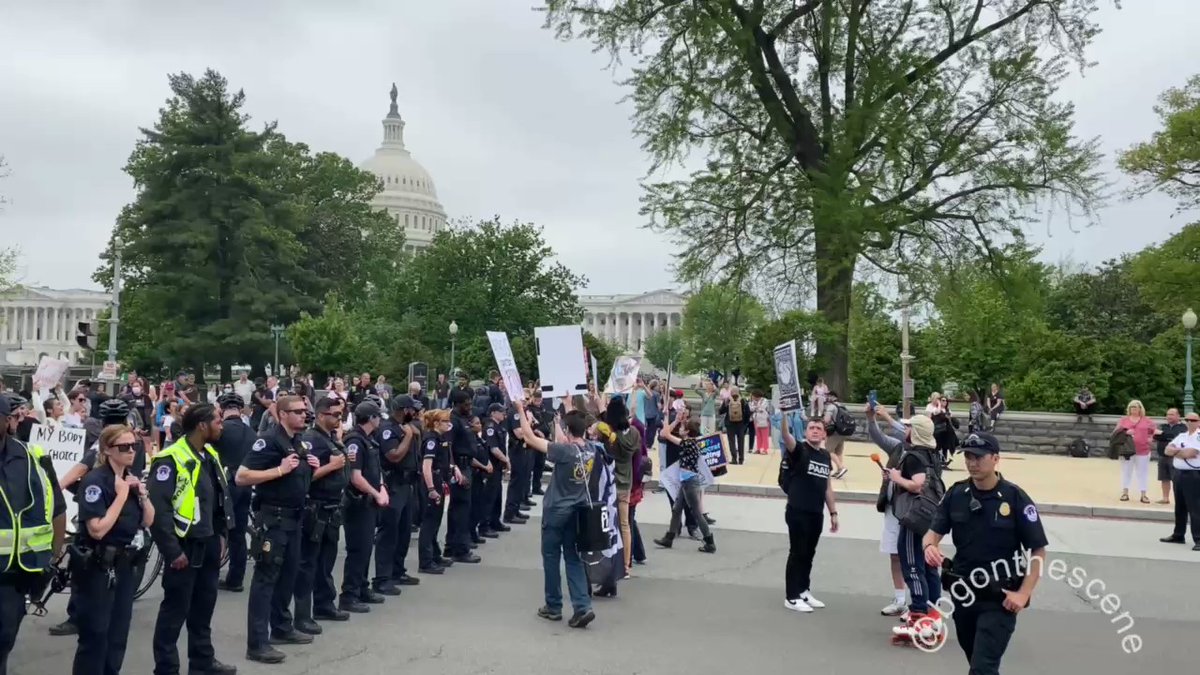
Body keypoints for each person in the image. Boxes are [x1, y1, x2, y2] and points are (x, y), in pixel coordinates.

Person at [924, 432, 1048, 672]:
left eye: (979, 457)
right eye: (968, 456)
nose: (972, 463)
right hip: (964, 595)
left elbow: (1038, 550)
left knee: (982, 668)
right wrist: (929, 547)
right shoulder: (957, 494)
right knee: (979, 665)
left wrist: (1023, 594)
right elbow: (933, 532)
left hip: (1000, 599)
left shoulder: (1015, 498)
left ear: (995, 459)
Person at [148, 403, 235, 675]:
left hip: (208, 543)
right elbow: (159, 511)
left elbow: (220, 499)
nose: (222, 425)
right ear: (201, 425)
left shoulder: (209, 454)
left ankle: (202, 662)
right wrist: (172, 552)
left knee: (203, 609)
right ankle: (166, 668)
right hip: (184, 547)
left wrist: (221, 535)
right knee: (174, 613)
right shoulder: (170, 458)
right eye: (218, 421)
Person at [235, 395, 319, 664]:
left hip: (295, 518)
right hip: (274, 519)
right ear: (282, 414)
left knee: (288, 575)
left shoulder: (297, 441)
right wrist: (280, 470)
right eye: (297, 412)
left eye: (305, 411)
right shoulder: (269, 441)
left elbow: (298, 477)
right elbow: (242, 476)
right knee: (266, 579)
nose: (304, 416)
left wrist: (313, 468)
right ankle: (257, 643)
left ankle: (282, 627)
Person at [72, 424, 155, 675]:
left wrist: (141, 494)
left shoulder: (130, 478)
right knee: (96, 634)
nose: (131, 451)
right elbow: (97, 529)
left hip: (125, 564)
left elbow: (148, 520)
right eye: (124, 447)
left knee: (118, 633)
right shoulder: (96, 481)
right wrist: (120, 496)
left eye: (134, 446)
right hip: (99, 565)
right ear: (108, 450)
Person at [0, 395, 67, 674]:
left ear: (7, 422)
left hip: (14, 573)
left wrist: (54, 554)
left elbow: (57, 507)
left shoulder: (33, 457)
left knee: (4, 637)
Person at [515, 397, 596, 629]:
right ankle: (582, 606)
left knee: (551, 556)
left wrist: (521, 409)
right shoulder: (589, 450)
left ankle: (553, 605)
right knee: (573, 558)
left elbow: (530, 438)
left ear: (568, 431)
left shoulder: (564, 452)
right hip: (577, 510)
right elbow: (572, 431)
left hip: (557, 509)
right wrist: (569, 405)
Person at [293, 396, 352, 634]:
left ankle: (325, 603)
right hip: (315, 507)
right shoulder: (311, 440)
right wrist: (332, 466)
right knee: (308, 563)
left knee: (326, 561)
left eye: (341, 415)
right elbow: (303, 478)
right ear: (320, 415)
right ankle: (303, 615)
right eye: (335, 415)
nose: (339, 419)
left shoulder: (329, 439)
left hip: (331, 507)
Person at [886, 415, 945, 643]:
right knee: (928, 565)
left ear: (916, 431)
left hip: (915, 516)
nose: (906, 429)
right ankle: (933, 610)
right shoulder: (934, 455)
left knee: (911, 563)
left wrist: (896, 478)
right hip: (931, 515)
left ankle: (919, 614)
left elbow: (918, 484)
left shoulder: (914, 456)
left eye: (909, 426)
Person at [778, 416, 839, 613]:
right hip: (797, 510)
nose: (814, 430)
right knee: (797, 553)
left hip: (816, 512)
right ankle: (792, 596)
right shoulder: (799, 450)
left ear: (824, 434)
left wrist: (833, 512)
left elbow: (827, 486)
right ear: (806, 432)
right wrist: (785, 415)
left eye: (818, 428)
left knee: (809, 554)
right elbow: (786, 435)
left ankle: (804, 590)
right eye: (811, 427)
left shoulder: (825, 456)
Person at [374, 395, 423, 593]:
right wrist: (409, 437)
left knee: (403, 531)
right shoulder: (389, 429)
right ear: (403, 410)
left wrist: (414, 434)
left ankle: (397, 570)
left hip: (407, 484)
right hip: (393, 483)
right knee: (389, 533)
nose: (415, 413)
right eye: (412, 409)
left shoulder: (406, 427)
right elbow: (393, 456)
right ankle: (382, 578)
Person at [339, 402, 386, 610]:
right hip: (358, 502)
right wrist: (375, 493)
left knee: (366, 548)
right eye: (378, 416)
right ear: (371, 418)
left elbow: (375, 471)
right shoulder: (355, 442)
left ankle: (362, 587)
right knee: (358, 549)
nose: (380, 420)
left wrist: (381, 488)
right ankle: (349, 594)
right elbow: (355, 476)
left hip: (370, 501)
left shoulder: (369, 440)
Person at [652, 416, 716, 553]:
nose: (679, 430)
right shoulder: (690, 442)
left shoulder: (687, 443)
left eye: (682, 428)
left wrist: (669, 422)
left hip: (690, 483)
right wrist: (681, 422)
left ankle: (709, 541)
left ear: (687, 432)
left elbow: (665, 434)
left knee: (697, 514)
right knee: (676, 509)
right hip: (686, 482)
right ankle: (669, 538)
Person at [213, 393, 255, 593]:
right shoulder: (251, 432)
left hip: (223, 484)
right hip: (245, 483)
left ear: (222, 410)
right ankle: (235, 579)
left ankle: (210, 573)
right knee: (238, 533)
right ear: (240, 410)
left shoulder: (220, 430)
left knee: (216, 529)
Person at [444, 391, 481, 563]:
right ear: (457, 404)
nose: (470, 407)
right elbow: (448, 446)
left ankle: (453, 546)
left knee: (460, 508)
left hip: (467, 465)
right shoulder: (453, 420)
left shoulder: (464, 419)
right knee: (461, 509)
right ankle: (459, 549)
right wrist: (454, 468)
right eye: (466, 404)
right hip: (460, 466)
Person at [417, 409, 456, 574]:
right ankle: (425, 561)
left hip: (440, 480)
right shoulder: (431, 439)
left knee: (436, 521)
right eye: (445, 421)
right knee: (429, 523)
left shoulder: (441, 438)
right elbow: (427, 467)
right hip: (431, 483)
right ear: (436, 423)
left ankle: (435, 554)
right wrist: (431, 489)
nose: (449, 424)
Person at [1163, 412, 1200, 550]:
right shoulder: (1182, 436)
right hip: (1179, 473)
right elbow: (1167, 450)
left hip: (1193, 474)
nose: (1190, 422)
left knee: (1195, 507)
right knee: (1180, 506)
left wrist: (1176, 452)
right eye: (1188, 420)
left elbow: (1190, 454)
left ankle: (1199, 538)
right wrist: (1179, 452)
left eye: (1193, 420)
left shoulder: (1198, 436)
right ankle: (1178, 534)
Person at [479, 403, 511, 539]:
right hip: (491, 465)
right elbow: (493, 448)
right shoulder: (490, 427)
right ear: (493, 413)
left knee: (497, 495)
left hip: (498, 466)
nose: (503, 414)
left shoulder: (499, 426)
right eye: (500, 411)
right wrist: (506, 461)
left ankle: (495, 521)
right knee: (489, 497)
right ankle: (484, 526)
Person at [1115, 400, 1156, 503]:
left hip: (1143, 450)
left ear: (1140, 409)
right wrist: (1125, 432)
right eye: (1131, 407)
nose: (1133, 409)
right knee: (1126, 471)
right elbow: (1116, 433)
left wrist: (1151, 438)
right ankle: (1125, 492)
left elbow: (1154, 432)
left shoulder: (1147, 421)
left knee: (1143, 472)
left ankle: (1143, 494)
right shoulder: (1124, 420)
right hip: (1127, 450)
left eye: (1135, 407)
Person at [1153, 408, 1186, 505]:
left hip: (1175, 457)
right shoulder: (1163, 426)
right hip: (1162, 455)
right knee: (1164, 478)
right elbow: (1155, 436)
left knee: (1177, 479)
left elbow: (1176, 436)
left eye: (1171, 414)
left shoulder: (1183, 427)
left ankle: (1179, 500)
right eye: (1167, 414)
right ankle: (1165, 498)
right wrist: (1166, 436)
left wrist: (1163, 435)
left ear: (1178, 416)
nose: (1169, 416)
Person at [720, 387, 750, 465]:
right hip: (741, 424)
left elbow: (721, 411)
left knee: (731, 441)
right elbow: (748, 413)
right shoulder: (743, 400)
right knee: (741, 441)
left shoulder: (728, 400)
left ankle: (734, 459)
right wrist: (745, 423)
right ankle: (741, 459)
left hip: (730, 424)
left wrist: (725, 405)